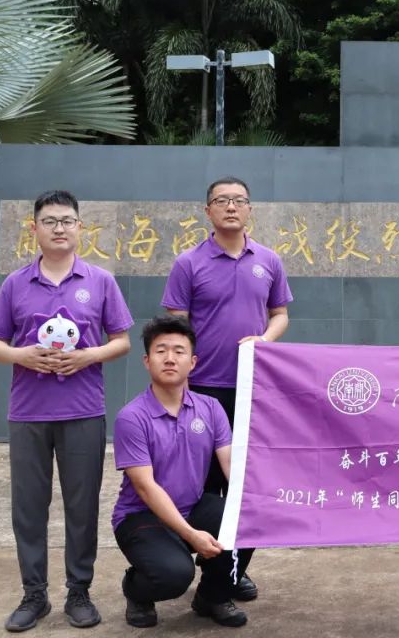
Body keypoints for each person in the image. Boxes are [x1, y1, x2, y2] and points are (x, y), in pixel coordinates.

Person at [0, 190, 133, 632]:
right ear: (34, 229)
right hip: (28, 413)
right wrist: (22, 355)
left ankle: (78, 591)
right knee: (29, 507)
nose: (59, 228)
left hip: (83, 411)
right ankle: (34, 594)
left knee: (81, 506)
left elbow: (122, 341)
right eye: (49, 221)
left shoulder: (100, 281)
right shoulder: (16, 284)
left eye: (67, 221)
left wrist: (88, 356)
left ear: (80, 227)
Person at [161, 176, 292, 601]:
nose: (231, 207)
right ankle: (205, 565)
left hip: (253, 391)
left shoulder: (268, 260)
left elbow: (280, 314)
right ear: (208, 211)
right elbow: (176, 326)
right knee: (202, 487)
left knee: (245, 485)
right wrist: (179, 378)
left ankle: (229, 573)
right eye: (222, 200)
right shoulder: (189, 263)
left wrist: (265, 340)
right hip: (200, 391)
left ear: (250, 209)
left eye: (239, 200)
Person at [112, 315, 250, 629]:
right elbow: (146, 488)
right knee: (175, 576)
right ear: (147, 361)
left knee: (245, 520)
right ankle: (136, 589)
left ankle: (212, 597)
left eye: (179, 351)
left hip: (193, 506)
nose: (170, 358)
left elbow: (230, 465)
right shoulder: (132, 417)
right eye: (161, 351)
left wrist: (261, 504)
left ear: (193, 362)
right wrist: (190, 535)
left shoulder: (211, 408)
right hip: (141, 517)